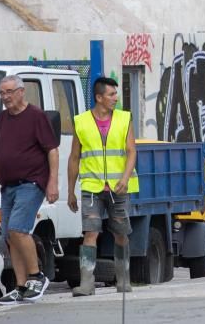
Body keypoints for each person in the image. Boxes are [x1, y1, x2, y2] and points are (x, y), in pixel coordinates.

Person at [0, 75, 59, 305]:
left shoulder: (36, 116)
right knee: (9, 236)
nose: (5, 97)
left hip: (32, 182)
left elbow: (52, 150)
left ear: (21, 91)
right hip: (8, 185)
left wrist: (53, 182)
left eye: (8, 92)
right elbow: (0, 155)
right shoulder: (2, 119)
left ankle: (37, 277)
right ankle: (20, 286)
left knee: (18, 229)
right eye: (1, 93)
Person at [68, 77, 138, 296]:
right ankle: (87, 283)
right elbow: (74, 158)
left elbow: (131, 151)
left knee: (120, 233)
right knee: (90, 232)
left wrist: (125, 179)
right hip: (92, 186)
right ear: (99, 97)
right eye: (111, 95)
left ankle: (123, 279)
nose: (115, 98)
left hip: (119, 186)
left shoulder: (124, 118)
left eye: (116, 94)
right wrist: (70, 191)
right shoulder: (81, 121)